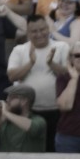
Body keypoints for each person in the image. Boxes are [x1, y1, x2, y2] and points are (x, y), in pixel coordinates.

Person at [7, 12, 69, 148]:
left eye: (42, 29)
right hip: (30, 113)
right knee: (32, 148)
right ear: (28, 33)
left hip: (57, 111)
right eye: (34, 31)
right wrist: (30, 63)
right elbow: (11, 76)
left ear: (48, 29)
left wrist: (52, 64)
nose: (39, 34)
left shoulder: (61, 47)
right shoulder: (20, 50)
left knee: (54, 148)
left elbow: (69, 75)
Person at [0, 83, 47, 152]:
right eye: (7, 97)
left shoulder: (39, 120)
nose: (7, 100)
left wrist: (6, 113)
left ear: (24, 101)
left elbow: (33, 128)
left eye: (11, 97)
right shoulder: (2, 120)